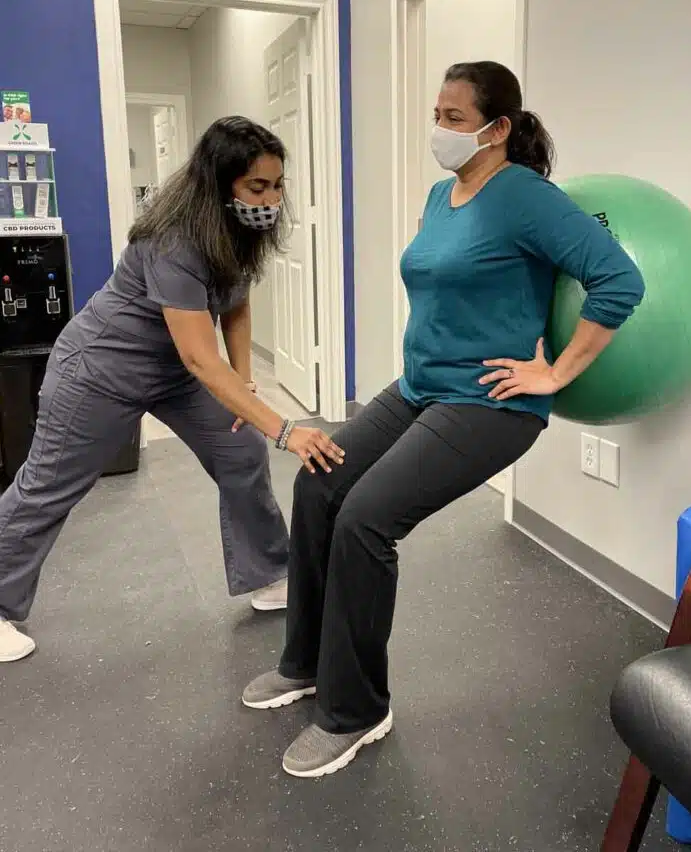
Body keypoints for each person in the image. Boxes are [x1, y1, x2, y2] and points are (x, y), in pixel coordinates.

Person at [242, 61, 646, 778]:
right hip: (421, 385)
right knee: (319, 484)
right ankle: (305, 662)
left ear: (500, 129)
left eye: (454, 119)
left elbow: (621, 280)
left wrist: (554, 373)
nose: (440, 129)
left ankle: (357, 710)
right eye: (438, 114)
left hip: (490, 402)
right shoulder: (442, 193)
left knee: (366, 518)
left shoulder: (526, 196)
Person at [0, 116, 344, 663]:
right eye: (258, 187)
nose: (272, 199)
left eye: (278, 185)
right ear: (219, 182)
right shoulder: (174, 239)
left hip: (174, 373)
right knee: (49, 485)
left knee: (240, 448)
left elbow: (233, 304)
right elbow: (197, 356)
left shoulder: (238, 229)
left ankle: (270, 572)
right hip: (101, 370)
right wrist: (284, 429)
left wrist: (245, 380)